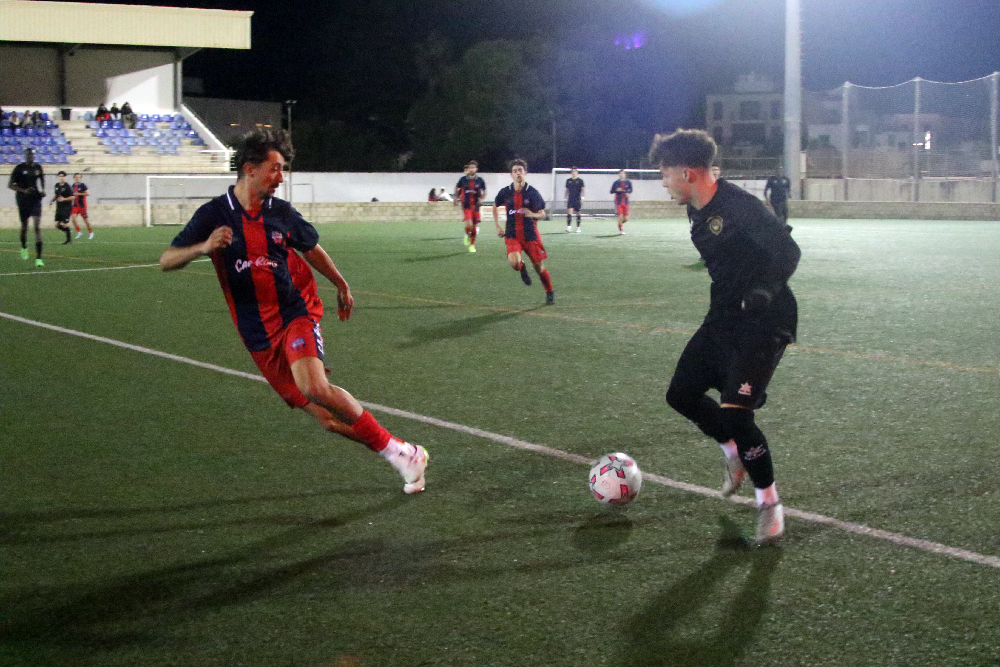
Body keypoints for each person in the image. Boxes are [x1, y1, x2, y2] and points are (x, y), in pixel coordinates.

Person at [158, 128, 429, 495]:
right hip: (255, 333)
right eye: (275, 168)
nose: (281, 178)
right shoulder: (213, 214)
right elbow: (167, 260)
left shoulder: (281, 213)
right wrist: (204, 246)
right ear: (250, 169)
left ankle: (398, 454)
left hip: (293, 312)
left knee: (313, 385)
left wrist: (340, 282)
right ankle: (404, 452)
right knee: (328, 421)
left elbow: (311, 248)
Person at [648, 129, 800, 545]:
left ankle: (769, 503)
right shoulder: (695, 211)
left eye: (665, 174)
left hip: (765, 320)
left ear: (688, 172)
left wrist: (766, 290)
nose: (662, 182)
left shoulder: (740, 207)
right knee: (680, 394)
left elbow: (788, 252)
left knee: (736, 415)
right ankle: (733, 452)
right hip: (724, 318)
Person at [493, 159, 554, 304]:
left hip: (530, 234)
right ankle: (522, 267)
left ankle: (549, 291)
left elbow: (543, 214)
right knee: (514, 263)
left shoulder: (532, 193)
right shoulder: (505, 192)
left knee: (539, 268)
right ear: (511, 175)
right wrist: (497, 225)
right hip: (512, 234)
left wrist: (532, 214)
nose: (518, 173)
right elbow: (495, 205)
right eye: (515, 171)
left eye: (520, 170)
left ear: (525, 173)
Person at [8, 148, 46, 267]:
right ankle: (24, 247)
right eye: (29, 155)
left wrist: (43, 190)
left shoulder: (38, 168)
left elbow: (42, 179)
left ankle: (39, 259)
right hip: (23, 199)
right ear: (26, 156)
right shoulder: (19, 168)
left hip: (35, 199)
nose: (31, 157)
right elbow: (10, 185)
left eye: (33, 155)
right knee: (24, 226)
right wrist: (24, 191)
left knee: (37, 227)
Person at [454, 160, 487, 253]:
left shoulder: (480, 180)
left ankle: (472, 245)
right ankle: (466, 234)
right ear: (468, 169)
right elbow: (457, 188)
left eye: (473, 167)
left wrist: (482, 199)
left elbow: (485, 191)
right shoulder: (463, 179)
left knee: (474, 226)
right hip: (466, 204)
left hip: (476, 205)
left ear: (476, 169)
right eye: (470, 167)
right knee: (469, 224)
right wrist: (456, 197)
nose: (472, 169)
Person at [50, 170, 74, 245]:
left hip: (66, 207)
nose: (61, 178)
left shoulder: (67, 186)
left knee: (65, 223)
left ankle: (68, 240)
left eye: (63, 176)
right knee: (57, 225)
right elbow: (56, 195)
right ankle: (68, 231)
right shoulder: (57, 185)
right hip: (59, 207)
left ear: (65, 177)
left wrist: (64, 199)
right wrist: (52, 200)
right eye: (60, 176)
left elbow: (73, 197)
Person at [70, 173, 94, 239]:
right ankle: (79, 232)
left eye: (79, 177)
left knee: (85, 220)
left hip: (82, 205)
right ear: (74, 178)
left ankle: (91, 232)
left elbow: (87, 193)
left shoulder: (83, 185)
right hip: (75, 205)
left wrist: (79, 193)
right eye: (76, 177)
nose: (77, 178)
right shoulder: (72, 186)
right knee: (73, 218)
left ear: (81, 178)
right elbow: (72, 195)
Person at [610, 169, 633, 234]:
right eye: (621, 173)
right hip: (618, 201)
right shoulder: (616, 183)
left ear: (625, 175)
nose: (622, 175)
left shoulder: (628, 182)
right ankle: (621, 229)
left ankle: (619, 223)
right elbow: (611, 191)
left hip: (626, 201)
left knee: (626, 218)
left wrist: (628, 193)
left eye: (623, 173)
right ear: (619, 175)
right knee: (620, 215)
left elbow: (631, 190)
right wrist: (617, 190)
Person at [564, 167, 585, 233]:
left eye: (575, 171)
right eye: (573, 171)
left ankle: (578, 228)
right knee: (569, 212)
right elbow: (567, 190)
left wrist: (582, 197)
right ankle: (569, 227)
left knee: (578, 213)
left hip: (577, 198)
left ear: (577, 172)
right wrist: (565, 198)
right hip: (570, 198)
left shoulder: (580, 181)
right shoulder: (568, 180)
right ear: (571, 173)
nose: (574, 173)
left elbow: (583, 190)